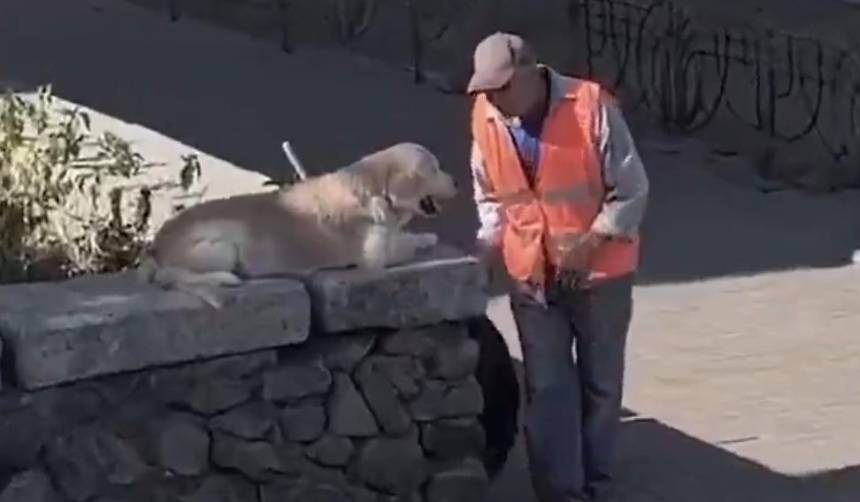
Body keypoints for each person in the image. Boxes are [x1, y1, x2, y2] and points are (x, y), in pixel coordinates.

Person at [466, 32, 649, 502]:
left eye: (501, 86)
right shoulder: (486, 117)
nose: (492, 98)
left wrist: (592, 243)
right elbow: (490, 196)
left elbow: (631, 190)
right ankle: (559, 493)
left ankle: (598, 486)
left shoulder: (590, 105)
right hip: (532, 278)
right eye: (484, 89)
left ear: (531, 72)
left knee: (601, 388)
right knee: (547, 389)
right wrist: (488, 246)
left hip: (600, 276)